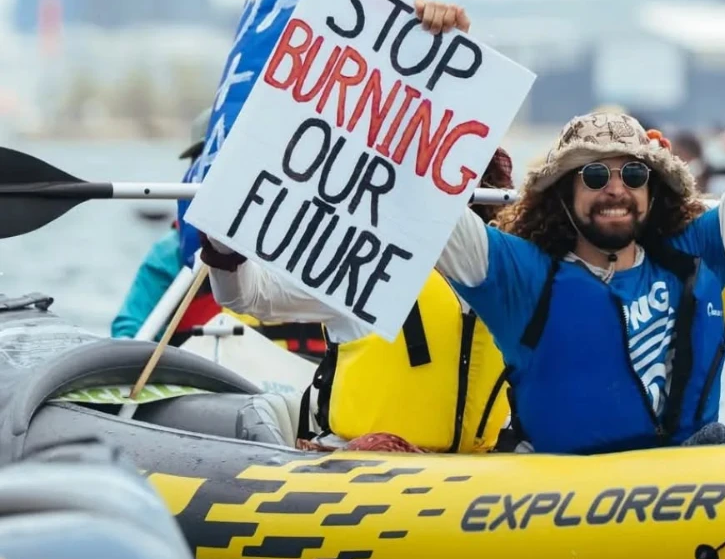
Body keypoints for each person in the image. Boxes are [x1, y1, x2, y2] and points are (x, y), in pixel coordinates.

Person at [420, 0, 725, 454]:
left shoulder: (701, 255)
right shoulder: (518, 275)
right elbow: (423, 195)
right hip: (558, 499)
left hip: (693, 479)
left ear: (653, 191)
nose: (616, 188)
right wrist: (435, 64)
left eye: (633, 173)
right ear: (564, 195)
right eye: (593, 175)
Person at [200, 147, 519, 454]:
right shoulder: (364, 262)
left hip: (478, 473)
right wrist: (223, 247)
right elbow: (248, 295)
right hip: (356, 464)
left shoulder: (514, 278)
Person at [111, 108, 327, 360]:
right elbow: (129, 331)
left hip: (312, 380)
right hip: (214, 385)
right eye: (205, 162)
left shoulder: (316, 245)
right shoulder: (174, 251)